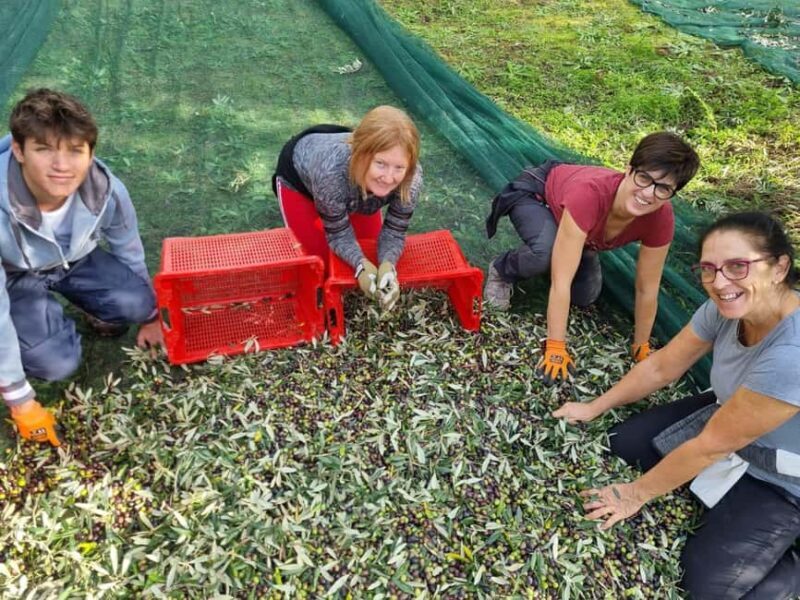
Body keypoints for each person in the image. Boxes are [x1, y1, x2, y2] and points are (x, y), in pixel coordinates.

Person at [553, 211, 800, 599]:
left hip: (783, 476)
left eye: (738, 266)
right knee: (623, 442)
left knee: (706, 587)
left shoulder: (792, 353)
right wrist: (594, 406)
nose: (720, 283)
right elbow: (663, 366)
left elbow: (712, 445)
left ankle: (783, 567)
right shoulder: (726, 307)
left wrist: (635, 495)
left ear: (779, 267)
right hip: (729, 420)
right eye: (709, 269)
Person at [0, 88, 164, 447]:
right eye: (44, 149)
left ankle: (86, 308)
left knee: (134, 303)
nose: (62, 166)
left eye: (75, 151)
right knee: (56, 363)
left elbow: (129, 250)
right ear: (19, 151)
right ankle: (34, 326)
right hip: (13, 274)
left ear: (90, 153)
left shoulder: (105, 190)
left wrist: (151, 316)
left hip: (74, 260)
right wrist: (20, 400)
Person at [484, 133, 700, 384]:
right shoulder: (590, 194)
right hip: (538, 195)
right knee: (545, 255)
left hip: (578, 223)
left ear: (672, 193)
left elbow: (647, 288)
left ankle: (578, 245)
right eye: (644, 178)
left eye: (662, 188)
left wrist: (641, 346)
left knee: (585, 296)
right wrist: (555, 347)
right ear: (628, 170)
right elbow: (561, 281)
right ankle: (503, 269)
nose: (648, 194)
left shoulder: (660, 218)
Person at [272, 105, 422, 312]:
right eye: (380, 164)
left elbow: (395, 232)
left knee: (367, 250)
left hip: (354, 183)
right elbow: (338, 234)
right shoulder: (330, 175)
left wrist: (388, 266)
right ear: (362, 156)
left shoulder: (410, 180)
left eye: (398, 168)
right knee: (318, 265)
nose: (389, 178)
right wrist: (360, 266)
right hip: (301, 178)